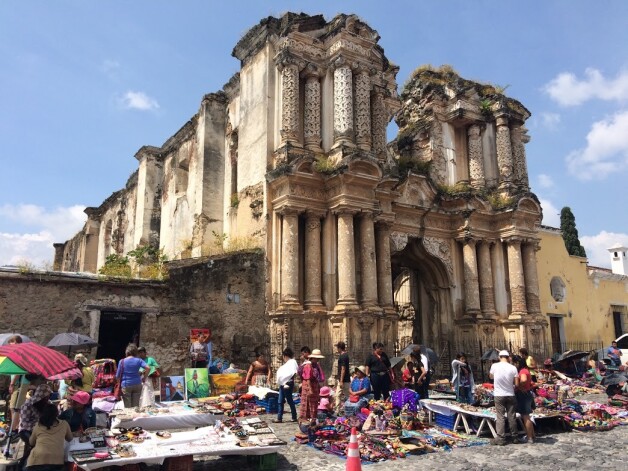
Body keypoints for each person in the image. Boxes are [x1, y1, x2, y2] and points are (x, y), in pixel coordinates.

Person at [26, 403, 72, 471]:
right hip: (56, 461)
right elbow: (70, 438)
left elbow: (31, 442)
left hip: (37, 461)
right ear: (56, 413)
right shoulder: (64, 424)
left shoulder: (38, 425)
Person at [489, 350, 520, 446]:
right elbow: (517, 384)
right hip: (510, 394)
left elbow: (491, 377)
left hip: (499, 394)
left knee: (500, 417)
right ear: (507, 357)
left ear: (499, 357)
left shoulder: (494, 366)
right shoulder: (513, 368)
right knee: (512, 416)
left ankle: (501, 438)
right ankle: (515, 437)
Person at [18, 383, 52, 468]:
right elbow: (25, 423)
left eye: (48, 396)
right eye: (45, 397)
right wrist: (38, 428)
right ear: (40, 396)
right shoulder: (27, 405)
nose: (47, 398)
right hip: (26, 430)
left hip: (43, 430)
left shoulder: (48, 404)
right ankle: (24, 465)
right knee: (36, 444)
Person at [116, 344, 149, 408]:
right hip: (137, 384)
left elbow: (117, 376)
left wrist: (119, 384)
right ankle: (135, 417)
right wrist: (144, 378)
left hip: (126, 385)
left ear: (127, 352)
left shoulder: (122, 361)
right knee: (136, 406)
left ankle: (129, 417)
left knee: (127, 407)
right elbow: (148, 368)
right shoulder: (139, 360)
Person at [513, 355, 536, 444]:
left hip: (523, 395)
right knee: (527, 416)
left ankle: (529, 437)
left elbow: (523, 380)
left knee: (525, 417)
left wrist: (519, 386)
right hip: (527, 394)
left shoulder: (522, 371)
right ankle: (532, 435)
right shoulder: (527, 370)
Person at [297, 348, 325, 420]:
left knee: (314, 403)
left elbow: (319, 377)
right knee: (307, 403)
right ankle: (306, 419)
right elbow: (307, 378)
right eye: (317, 358)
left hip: (314, 386)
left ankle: (313, 418)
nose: (318, 360)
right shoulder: (308, 366)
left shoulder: (316, 366)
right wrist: (310, 389)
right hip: (308, 386)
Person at [273, 348, 298, 423]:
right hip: (283, 384)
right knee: (280, 401)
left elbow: (292, 373)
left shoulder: (292, 362)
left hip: (288, 383)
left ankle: (294, 416)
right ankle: (279, 418)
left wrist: (285, 380)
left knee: (289, 400)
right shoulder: (288, 364)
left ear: (285, 356)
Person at [7, 335, 25, 432]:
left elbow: (18, 371)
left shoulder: (18, 355)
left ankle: (14, 429)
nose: (10, 346)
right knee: (15, 407)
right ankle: (15, 428)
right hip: (18, 383)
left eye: (12, 344)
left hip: (18, 384)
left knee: (14, 407)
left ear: (17, 343)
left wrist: (12, 384)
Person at [334, 342, 350, 415]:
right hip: (342, 379)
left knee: (346, 395)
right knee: (338, 395)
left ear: (340, 348)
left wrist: (341, 380)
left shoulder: (343, 356)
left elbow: (343, 368)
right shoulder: (343, 356)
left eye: (337, 347)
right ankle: (338, 410)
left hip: (344, 380)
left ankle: (348, 410)